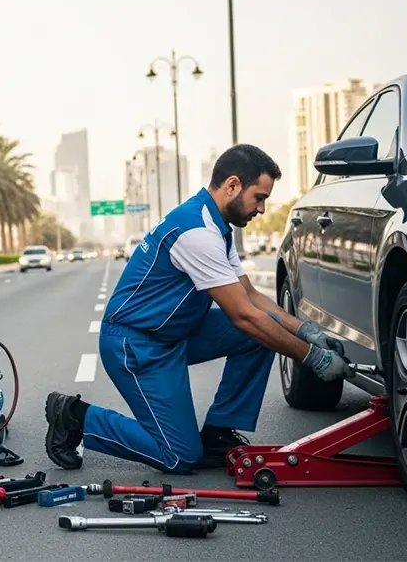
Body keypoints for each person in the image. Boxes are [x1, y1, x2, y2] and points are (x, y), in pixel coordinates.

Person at [44, 144, 354, 474]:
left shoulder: (215, 225)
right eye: (259, 198)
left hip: (174, 333)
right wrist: (312, 358)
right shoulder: (197, 232)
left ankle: (219, 433)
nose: (262, 209)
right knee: (179, 455)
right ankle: (76, 416)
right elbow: (244, 316)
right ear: (232, 185)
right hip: (136, 344)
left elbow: (250, 296)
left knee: (262, 331)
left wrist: (305, 331)